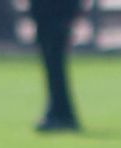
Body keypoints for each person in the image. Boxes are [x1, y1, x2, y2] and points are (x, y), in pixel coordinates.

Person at [30, 0, 82, 132]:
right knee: (52, 61)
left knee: (54, 59)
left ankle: (60, 113)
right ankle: (58, 110)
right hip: (49, 11)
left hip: (56, 11)